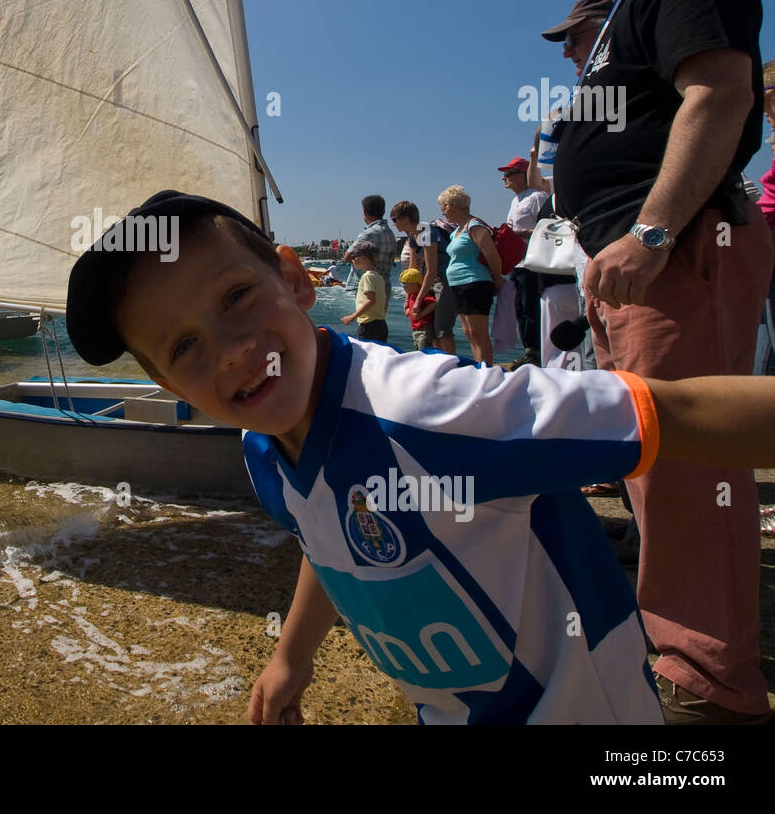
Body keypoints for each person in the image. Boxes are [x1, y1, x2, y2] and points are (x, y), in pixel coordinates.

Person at [63, 190, 775, 724]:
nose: (231, 350)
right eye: (184, 347)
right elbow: (327, 536)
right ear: (161, 380)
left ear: (295, 278)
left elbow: (675, 413)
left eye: (237, 296)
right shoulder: (265, 453)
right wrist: (291, 658)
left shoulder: (430, 412)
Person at [519, 0, 775, 723]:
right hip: (636, 263)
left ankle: (709, 684)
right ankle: (691, 647)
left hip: (672, 253)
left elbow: (722, 93)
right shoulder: (628, 8)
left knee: (689, 465)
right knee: (655, 459)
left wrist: (656, 232)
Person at [438, 185, 504, 366]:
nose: (443, 211)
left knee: (478, 332)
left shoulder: (474, 226)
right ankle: (478, 366)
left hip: (474, 282)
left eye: (445, 207)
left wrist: (496, 277)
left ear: (454, 205)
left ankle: (486, 370)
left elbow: (492, 255)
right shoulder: (456, 232)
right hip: (458, 284)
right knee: (468, 331)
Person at [498, 157, 551, 370]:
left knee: (531, 309)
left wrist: (522, 233)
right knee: (520, 309)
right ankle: (530, 351)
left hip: (533, 263)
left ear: (522, 175)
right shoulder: (516, 200)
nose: (504, 178)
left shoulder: (537, 197)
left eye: (509, 174)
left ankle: (538, 353)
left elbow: (548, 225)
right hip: (517, 264)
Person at [390, 200, 456, 355]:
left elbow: (431, 270)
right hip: (433, 283)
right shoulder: (414, 235)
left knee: (442, 329)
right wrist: (409, 298)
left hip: (445, 282)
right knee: (431, 330)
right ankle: (438, 363)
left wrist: (418, 301)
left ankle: (451, 365)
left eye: (395, 219)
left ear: (405, 218)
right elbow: (414, 272)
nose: (394, 224)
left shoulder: (425, 232)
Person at [342, 195, 397, 297]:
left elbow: (348, 255)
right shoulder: (390, 233)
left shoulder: (370, 233)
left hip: (365, 287)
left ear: (365, 212)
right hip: (384, 286)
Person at [339, 241, 386, 342]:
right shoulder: (378, 277)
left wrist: (352, 316)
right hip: (380, 324)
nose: (352, 260)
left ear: (364, 258)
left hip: (369, 325)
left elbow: (371, 300)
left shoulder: (367, 276)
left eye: (354, 257)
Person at [399, 267, 436, 351]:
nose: (403, 288)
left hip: (424, 330)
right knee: (418, 352)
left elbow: (433, 304)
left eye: (405, 285)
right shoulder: (412, 296)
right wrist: (406, 305)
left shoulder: (422, 295)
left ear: (415, 285)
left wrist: (421, 314)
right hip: (415, 331)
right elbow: (408, 313)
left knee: (423, 353)